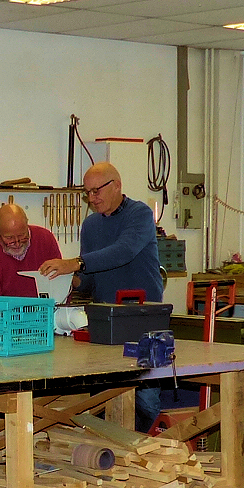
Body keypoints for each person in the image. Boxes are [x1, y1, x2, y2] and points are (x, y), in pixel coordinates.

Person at [40, 162, 165, 429]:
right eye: (87, 193)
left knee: (145, 399)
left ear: (117, 186)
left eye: (96, 191)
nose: (92, 198)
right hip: (106, 321)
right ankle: (109, 445)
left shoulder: (140, 214)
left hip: (143, 319)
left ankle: (145, 447)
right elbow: (88, 279)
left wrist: (75, 263)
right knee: (103, 396)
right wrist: (64, 279)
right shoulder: (91, 225)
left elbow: (123, 251)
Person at [0, 203, 62, 298]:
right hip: (7, 307)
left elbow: (59, 285)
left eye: (22, 235)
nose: (17, 243)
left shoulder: (45, 239)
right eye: (9, 238)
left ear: (27, 226)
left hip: (44, 306)